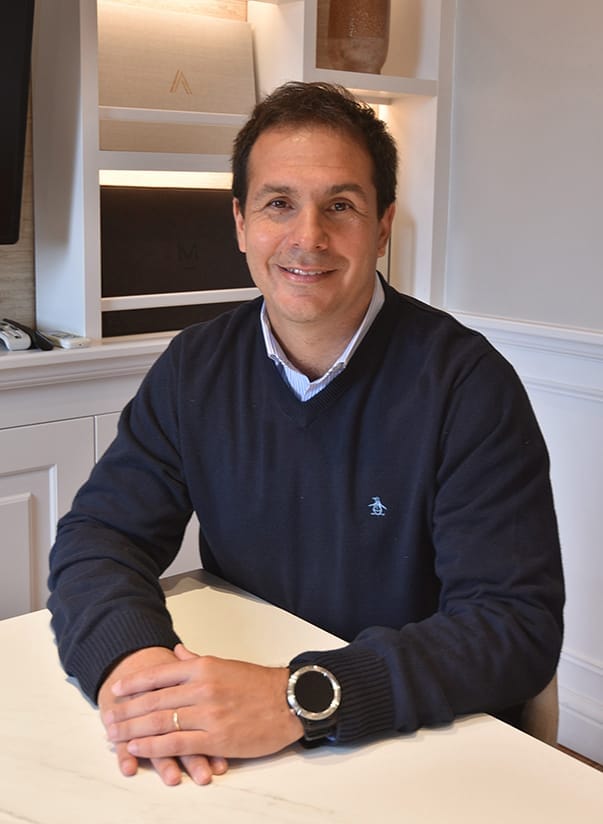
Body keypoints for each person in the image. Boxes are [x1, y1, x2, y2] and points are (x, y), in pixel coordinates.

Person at [48, 82, 564, 787]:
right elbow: (100, 535)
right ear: (240, 222)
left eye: (340, 206)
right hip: (249, 744)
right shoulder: (196, 367)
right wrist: (134, 667)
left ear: (383, 226)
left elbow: (513, 626)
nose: (308, 237)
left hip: (423, 747)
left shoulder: (467, 386)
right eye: (278, 204)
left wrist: (300, 696)